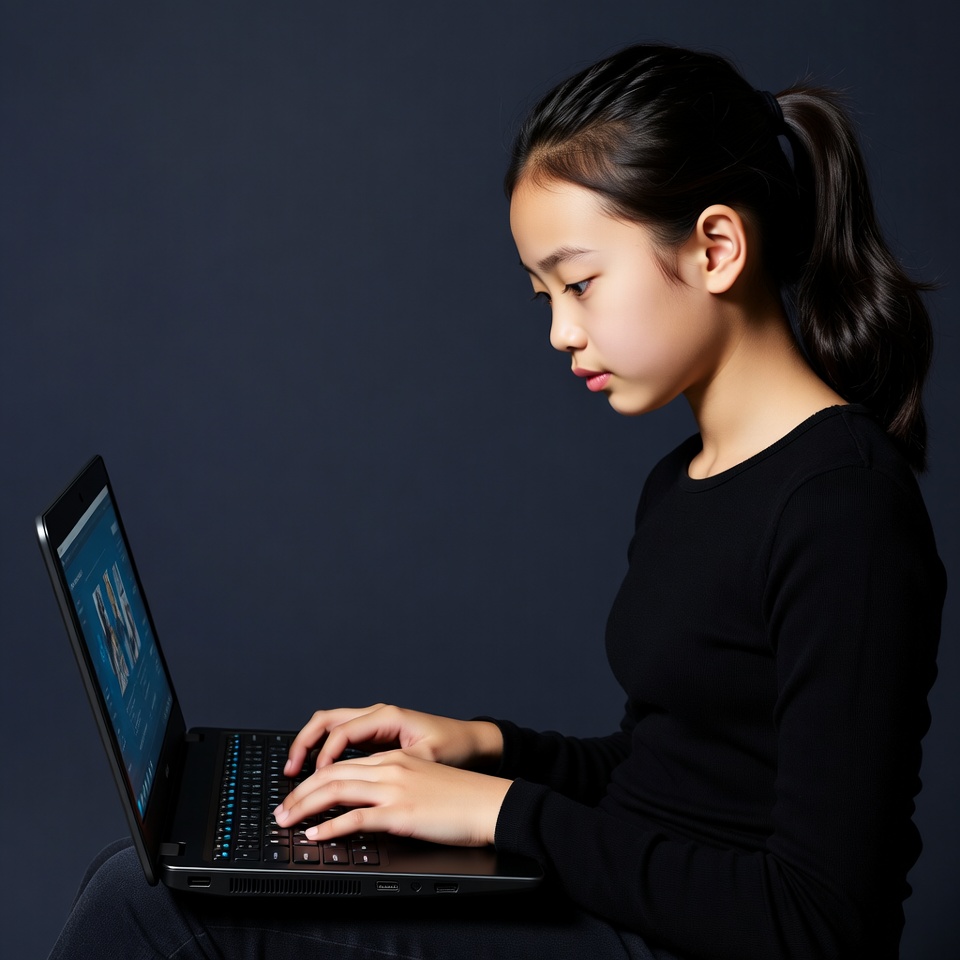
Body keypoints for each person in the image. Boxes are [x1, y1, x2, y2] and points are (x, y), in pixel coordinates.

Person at [49, 43, 945, 960]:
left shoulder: (844, 511)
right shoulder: (686, 480)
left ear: (716, 248)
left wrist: (503, 813)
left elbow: (819, 922)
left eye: (580, 284)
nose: (561, 331)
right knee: (148, 873)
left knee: (145, 906)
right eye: (543, 294)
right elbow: (666, 779)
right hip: (622, 907)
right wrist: (481, 747)